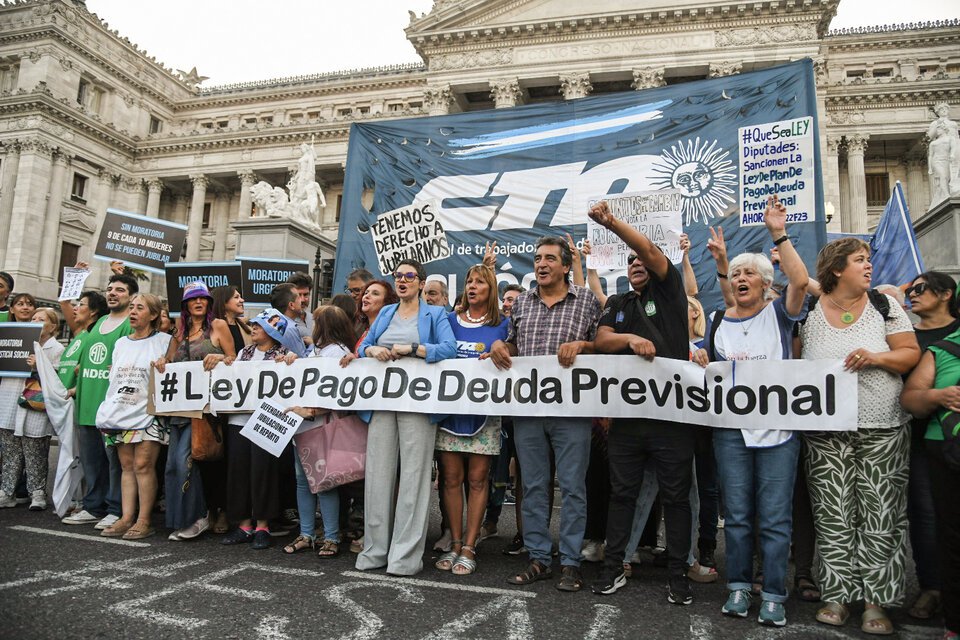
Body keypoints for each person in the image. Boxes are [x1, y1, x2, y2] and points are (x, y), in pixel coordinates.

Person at [801, 237, 920, 635]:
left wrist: (876, 358)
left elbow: (909, 353)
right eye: (859, 260)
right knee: (832, 514)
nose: (868, 266)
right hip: (826, 433)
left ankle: (876, 602)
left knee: (880, 514)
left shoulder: (885, 307)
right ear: (837, 269)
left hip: (883, 426)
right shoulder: (812, 310)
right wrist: (778, 234)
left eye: (868, 260)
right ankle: (837, 595)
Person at [585, 200, 699, 605]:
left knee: (676, 497)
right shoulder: (619, 304)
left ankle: (678, 575)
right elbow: (601, 342)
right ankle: (613, 567)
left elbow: (650, 251)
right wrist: (630, 339)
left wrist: (612, 223)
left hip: (672, 418)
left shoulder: (668, 292)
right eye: (629, 260)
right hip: (628, 421)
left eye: (642, 258)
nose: (636, 262)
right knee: (622, 495)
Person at [704, 196, 810, 626]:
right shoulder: (716, 321)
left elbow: (800, 282)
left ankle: (774, 594)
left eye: (750, 273)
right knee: (739, 517)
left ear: (766, 283)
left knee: (774, 517)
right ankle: (738, 588)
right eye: (737, 273)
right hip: (731, 432)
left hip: (778, 430)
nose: (741, 278)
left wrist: (777, 233)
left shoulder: (780, 316)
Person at [490, 236, 601, 592]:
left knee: (572, 487)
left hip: (572, 410)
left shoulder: (585, 300)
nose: (541, 264)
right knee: (534, 486)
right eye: (538, 258)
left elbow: (605, 346)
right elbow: (512, 344)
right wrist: (499, 346)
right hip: (529, 410)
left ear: (566, 266)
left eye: (550, 258)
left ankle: (570, 562)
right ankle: (539, 557)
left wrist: (583, 345)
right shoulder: (522, 302)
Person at [344, 259, 457, 575]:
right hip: (382, 401)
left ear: (421, 283)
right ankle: (375, 550)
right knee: (377, 477)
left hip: (418, 403)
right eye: (399, 276)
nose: (403, 280)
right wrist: (372, 352)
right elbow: (364, 345)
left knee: (413, 479)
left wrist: (414, 349)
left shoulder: (435, 314)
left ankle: (405, 557)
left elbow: (449, 349)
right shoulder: (385, 314)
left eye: (410, 276)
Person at [434, 264, 509, 576]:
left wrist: (501, 346)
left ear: (491, 289)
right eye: (469, 281)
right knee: (451, 479)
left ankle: (469, 545)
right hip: (450, 412)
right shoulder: (448, 321)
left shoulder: (502, 324)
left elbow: (513, 354)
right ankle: (453, 541)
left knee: (478, 480)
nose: (473, 286)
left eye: (480, 282)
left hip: (484, 413)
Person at [155, 281, 234, 541]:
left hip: (205, 412)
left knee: (184, 462)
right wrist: (160, 363)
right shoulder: (179, 333)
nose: (198, 302)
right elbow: (168, 362)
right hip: (178, 409)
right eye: (193, 299)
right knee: (171, 467)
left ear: (209, 304)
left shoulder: (218, 326)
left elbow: (236, 361)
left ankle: (198, 517)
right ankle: (181, 518)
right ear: (186, 305)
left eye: (203, 298)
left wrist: (220, 358)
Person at [903, 271, 960, 620]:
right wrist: (935, 395)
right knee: (925, 516)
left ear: (945, 293)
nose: (913, 294)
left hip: (950, 437)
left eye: (920, 288)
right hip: (920, 439)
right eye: (909, 290)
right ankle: (932, 587)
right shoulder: (904, 335)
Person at [62, 274, 137, 529]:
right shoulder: (101, 320)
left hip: (113, 407)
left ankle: (116, 508)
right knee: (92, 461)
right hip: (87, 402)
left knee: (115, 462)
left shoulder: (130, 324)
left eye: (120, 290)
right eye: (110, 289)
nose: (113, 293)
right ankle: (93, 507)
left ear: (131, 297)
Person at [283, 305, 357, 558]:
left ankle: (331, 536)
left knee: (324, 483)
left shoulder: (338, 353)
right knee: (303, 482)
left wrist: (313, 411)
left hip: (319, 426)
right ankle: (307, 534)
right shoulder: (315, 350)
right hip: (303, 426)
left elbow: (337, 392)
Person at [95, 294, 171, 539]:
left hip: (148, 412)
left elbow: (173, 371)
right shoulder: (121, 344)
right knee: (126, 465)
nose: (133, 312)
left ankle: (144, 520)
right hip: (121, 411)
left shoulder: (165, 341)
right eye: (132, 307)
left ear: (153, 315)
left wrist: (166, 362)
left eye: (140, 308)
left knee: (143, 465)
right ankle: (126, 518)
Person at [220, 308, 290, 550]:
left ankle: (263, 526)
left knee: (263, 472)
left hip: (265, 421)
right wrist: (226, 362)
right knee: (238, 472)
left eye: (259, 326)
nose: (253, 329)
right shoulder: (244, 352)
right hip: (239, 420)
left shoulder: (283, 354)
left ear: (272, 330)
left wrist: (290, 363)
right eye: (253, 325)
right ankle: (244, 525)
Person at [0, 308, 63, 510]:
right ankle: (7, 492)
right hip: (9, 400)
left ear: (53, 326)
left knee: (35, 450)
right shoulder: (16, 339)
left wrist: (40, 366)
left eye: (42, 319)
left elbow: (59, 380)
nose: (36, 321)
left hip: (35, 405)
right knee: (10, 451)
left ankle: (37, 493)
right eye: (34, 318)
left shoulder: (57, 349)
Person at [354, 280, 398, 352]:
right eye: (366, 293)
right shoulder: (364, 331)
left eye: (375, 294)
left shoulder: (388, 333)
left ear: (386, 302)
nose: (367, 296)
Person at [270, 283, 309, 356]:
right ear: (291, 305)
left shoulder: (273, 323)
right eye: (298, 297)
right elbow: (302, 359)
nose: (302, 300)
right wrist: (312, 345)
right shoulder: (289, 329)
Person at [286, 272, 315, 343]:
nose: (302, 300)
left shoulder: (315, 319)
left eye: (306, 295)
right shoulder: (283, 323)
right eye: (298, 295)